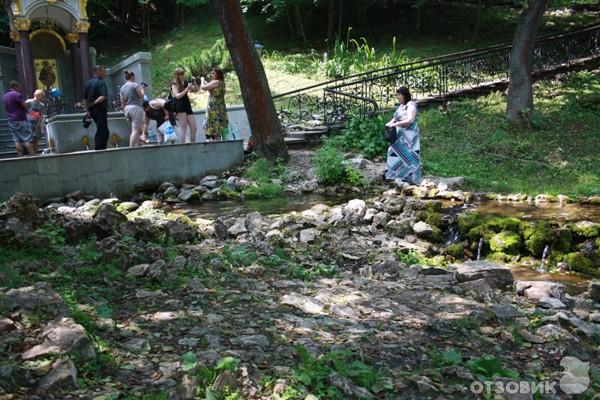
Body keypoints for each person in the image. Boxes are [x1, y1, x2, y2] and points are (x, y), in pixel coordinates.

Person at [384, 86, 421, 184]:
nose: (397, 97)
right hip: (399, 134)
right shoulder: (400, 106)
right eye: (397, 95)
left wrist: (395, 124)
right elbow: (395, 118)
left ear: (405, 95)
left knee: (409, 154)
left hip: (409, 135)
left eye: (399, 95)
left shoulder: (411, 105)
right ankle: (393, 175)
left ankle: (411, 178)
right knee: (393, 152)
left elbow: (410, 119)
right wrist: (389, 123)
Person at [2, 81, 35, 157]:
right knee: (27, 139)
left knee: (16, 140)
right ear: (15, 86)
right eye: (18, 87)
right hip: (20, 119)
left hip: (11, 120)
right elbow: (24, 106)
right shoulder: (16, 94)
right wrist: (28, 108)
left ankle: (19, 156)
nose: (19, 89)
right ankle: (33, 157)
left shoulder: (5, 96)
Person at [83, 65, 109, 150]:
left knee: (100, 129)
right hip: (100, 109)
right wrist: (94, 103)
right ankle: (100, 150)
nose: (105, 74)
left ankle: (99, 148)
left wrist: (87, 110)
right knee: (103, 131)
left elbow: (84, 99)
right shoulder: (100, 83)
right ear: (98, 71)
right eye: (103, 71)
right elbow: (103, 96)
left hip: (92, 111)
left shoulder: (88, 83)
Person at [200, 68, 228, 141]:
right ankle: (218, 142)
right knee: (218, 126)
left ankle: (217, 143)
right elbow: (212, 90)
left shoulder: (216, 82)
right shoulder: (221, 82)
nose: (211, 74)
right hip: (220, 106)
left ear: (217, 75)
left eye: (213, 73)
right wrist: (207, 84)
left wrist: (202, 81)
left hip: (214, 107)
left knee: (215, 126)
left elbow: (203, 87)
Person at [171, 67, 197, 143]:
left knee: (194, 128)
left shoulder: (185, 82)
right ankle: (182, 146)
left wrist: (194, 82)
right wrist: (187, 88)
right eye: (181, 74)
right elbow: (177, 96)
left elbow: (195, 89)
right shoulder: (174, 84)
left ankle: (193, 145)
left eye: (183, 73)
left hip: (187, 105)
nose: (183, 75)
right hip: (180, 106)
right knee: (183, 128)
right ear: (177, 75)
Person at [119, 70, 145, 147]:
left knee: (136, 128)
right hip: (136, 108)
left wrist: (125, 113)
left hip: (127, 109)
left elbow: (122, 102)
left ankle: (138, 145)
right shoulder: (135, 85)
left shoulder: (122, 88)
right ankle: (131, 148)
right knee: (135, 130)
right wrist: (142, 89)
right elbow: (141, 96)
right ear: (133, 77)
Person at [26, 89, 46, 155]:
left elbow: (41, 115)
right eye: (42, 96)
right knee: (30, 140)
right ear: (37, 95)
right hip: (28, 123)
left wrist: (38, 124)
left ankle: (35, 153)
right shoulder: (28, 102)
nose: (43, 97)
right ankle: (32, 154)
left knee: (36, 140)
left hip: (36, 124)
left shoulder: (42, 105)